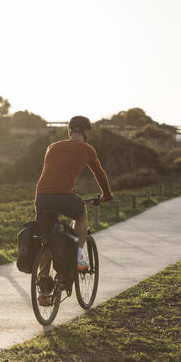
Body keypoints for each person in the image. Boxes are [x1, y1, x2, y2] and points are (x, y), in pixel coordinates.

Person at [35, 116, 113, 274]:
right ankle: (78, 257)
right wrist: (106, 195)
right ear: (86, 133)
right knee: (81, 213)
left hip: (41, 196)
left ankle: (43, 292)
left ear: (69, 131)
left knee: (47, 239)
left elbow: (54, 173)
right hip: (63, 196)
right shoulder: (87, 149)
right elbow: (100, 174)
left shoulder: (52, 147)